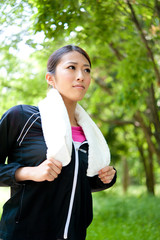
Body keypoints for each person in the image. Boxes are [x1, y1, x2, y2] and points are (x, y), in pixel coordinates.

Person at [0, 45, 116, 240]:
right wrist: (29, 172)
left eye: (86, 70)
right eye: (72, 67)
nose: (81, 76)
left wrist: (105, 178)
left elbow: (78, 184)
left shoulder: (91, 134)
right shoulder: (22, 117)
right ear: (50, 78)